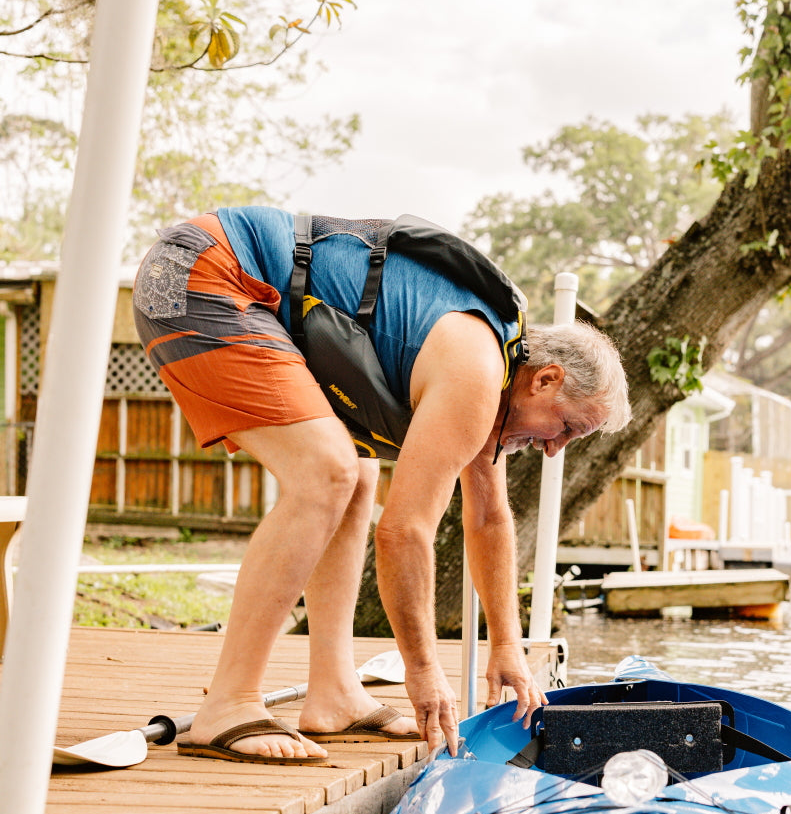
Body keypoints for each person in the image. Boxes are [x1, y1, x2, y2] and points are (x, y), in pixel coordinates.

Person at [133, 206, 631, 763]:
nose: (554, 448)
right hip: (203, 273)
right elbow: (404, 531)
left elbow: (488, 516)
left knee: (358, 473)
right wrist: (422, 673)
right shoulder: (479, 369)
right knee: (327, 472)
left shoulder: (496, 380)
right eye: (566, 428)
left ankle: (334, 695)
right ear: (546, 379)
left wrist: (507, 645)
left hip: (228, 283)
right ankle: (228, 702)